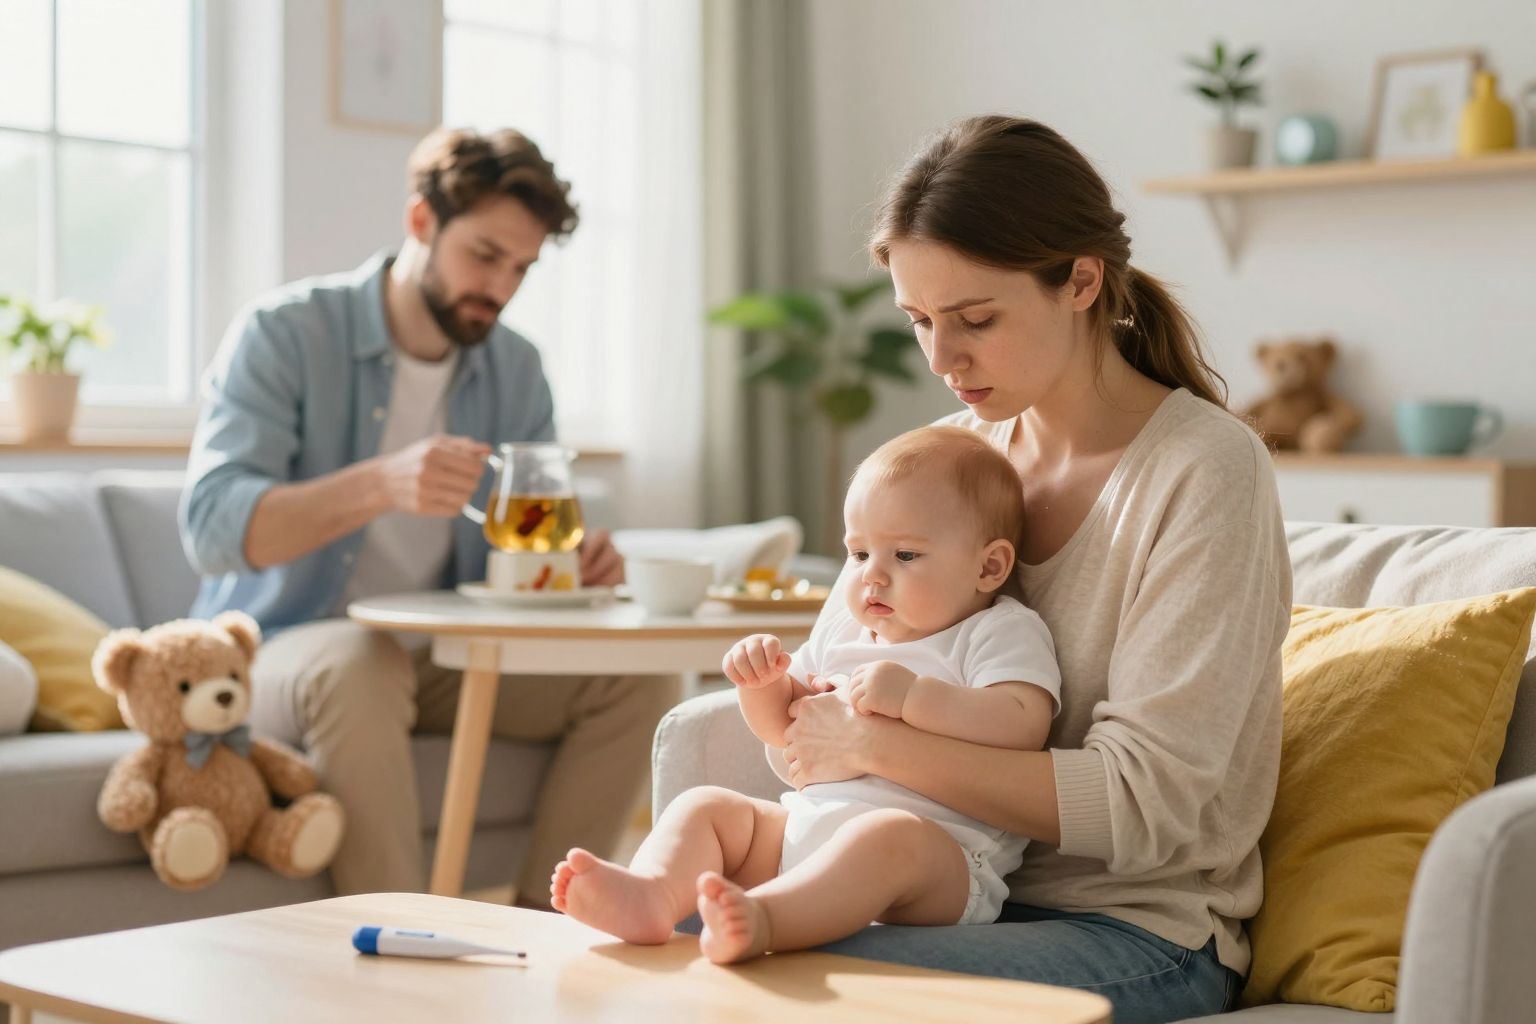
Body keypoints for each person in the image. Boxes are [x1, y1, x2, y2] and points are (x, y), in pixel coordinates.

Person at [764, 116, 1291, 1024]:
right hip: (943, 888)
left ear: (1082, 280)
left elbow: (1145, 805)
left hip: (1135, 931)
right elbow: (822, 715)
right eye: (921, 321)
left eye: (975, 319)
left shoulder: (1205, 470)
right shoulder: (943, 467)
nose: (941, 358)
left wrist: (878, 746)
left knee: (796, 964)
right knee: (698, 923)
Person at [179, 127, 681, 906]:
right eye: (484, 255)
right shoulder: (285, 334)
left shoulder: (514, 368)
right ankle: (412, 949)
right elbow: (211, 528)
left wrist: (569, 567)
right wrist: (379, 484)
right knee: (361, 660)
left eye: (521, 267)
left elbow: (526, 547)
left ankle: (552, 928)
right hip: (277, 647)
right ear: (421, 222)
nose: (501, 286)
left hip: (444, 655)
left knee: (639, 678)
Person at [550, 426, 1061, 963]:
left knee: (889, 836)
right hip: (804, 827)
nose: (873, 577)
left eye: (906, 556)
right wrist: (764, 683)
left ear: (989, 567)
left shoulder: (996, 630)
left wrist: (914, 698)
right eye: (859, 554)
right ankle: (652, 893)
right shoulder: (847, 631)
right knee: (707, 807)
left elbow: (1023, 723)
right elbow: (785, 730)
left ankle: (766, 921)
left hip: (943, 861)